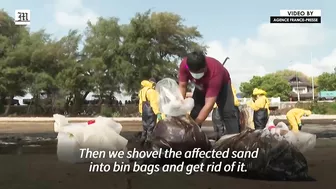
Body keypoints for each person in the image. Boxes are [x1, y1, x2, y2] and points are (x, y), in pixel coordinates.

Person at [178, 51, 239, 138]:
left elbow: (209, 105)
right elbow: (182, 86)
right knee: (195, 112)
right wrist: (179, 108)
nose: (197, 74)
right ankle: (191, 139)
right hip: (201, 86)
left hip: (223, 85)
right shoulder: (185, 65)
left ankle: (234, 140)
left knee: (227, 113)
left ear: (205, 66)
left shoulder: (215, 72)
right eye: (194, 72)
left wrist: (195, 125)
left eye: (200, 71)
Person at [138, 78, 163, 145]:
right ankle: (149, 142)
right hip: (151, 111)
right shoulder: (152, 92)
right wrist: (157, 113)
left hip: (144, 111)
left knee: (145, 127)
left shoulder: (142, 91)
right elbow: (153, 104)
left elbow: (140, 103)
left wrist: (141, 111)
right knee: (151, 127)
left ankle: (142, 140)